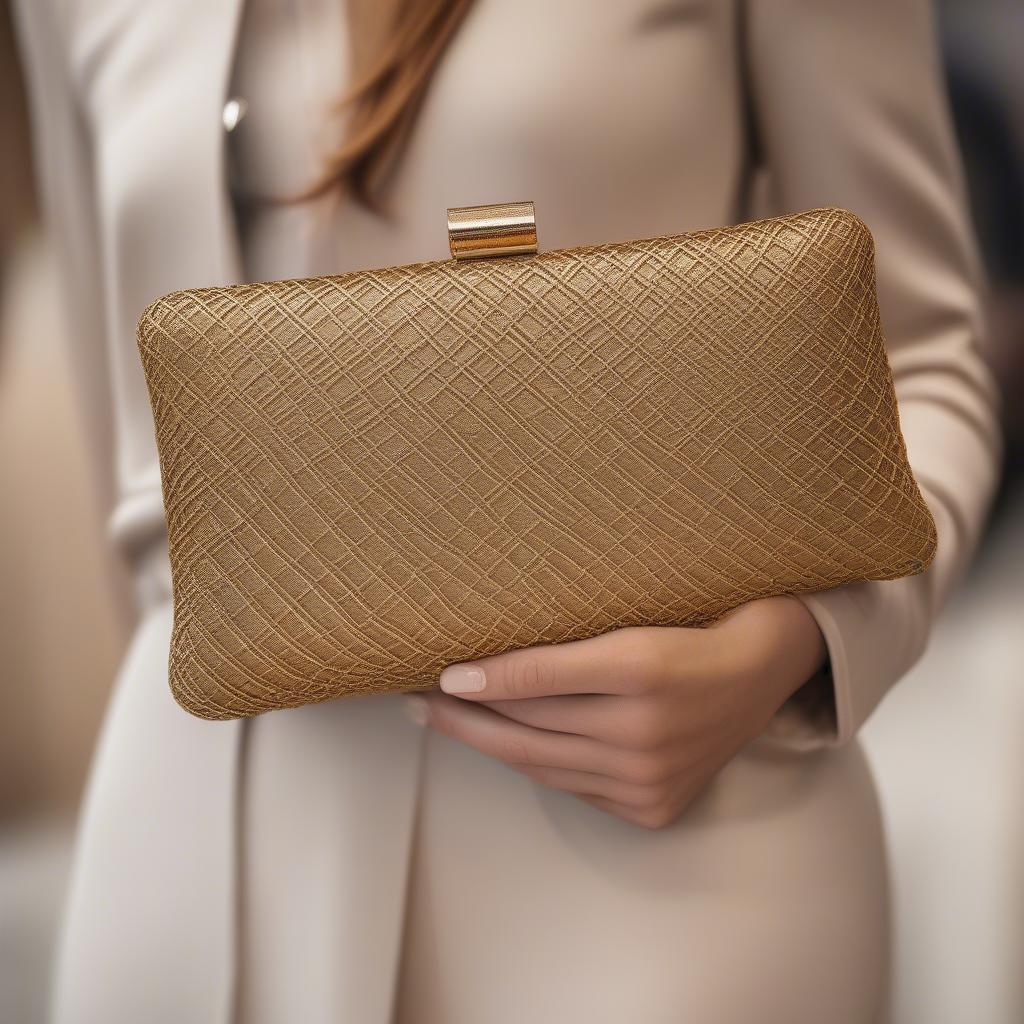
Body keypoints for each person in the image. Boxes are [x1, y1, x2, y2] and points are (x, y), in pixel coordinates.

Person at [15, 1, 999, 1021]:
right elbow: (134, 463)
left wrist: (799, 647)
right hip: (192, 862)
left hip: (666, 846)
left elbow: (922, 363)